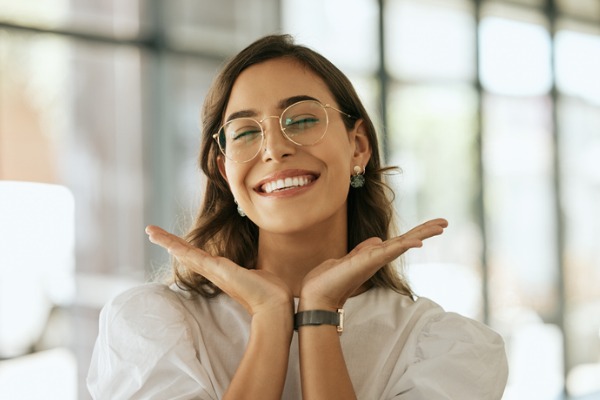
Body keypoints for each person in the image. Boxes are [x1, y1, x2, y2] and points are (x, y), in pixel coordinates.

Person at [87, 34, 508, 399]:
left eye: (303, 119)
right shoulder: (151, 328)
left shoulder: (443, 348)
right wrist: (270, 319)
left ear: (358, 146)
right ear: (225, 172)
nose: (273, 149)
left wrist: (318, 314)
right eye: (246, 132)